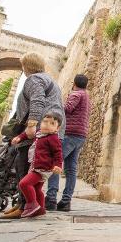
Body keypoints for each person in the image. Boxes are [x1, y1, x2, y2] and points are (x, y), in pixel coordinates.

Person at [0, 52, 65, 220]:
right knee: (32, 172)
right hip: (49, 130)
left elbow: (37, 100)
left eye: (23, 66)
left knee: (24, 168)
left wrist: (31, 125)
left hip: (37, 130)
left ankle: (24, 206)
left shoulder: (34, 79)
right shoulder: (50, 80)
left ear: (27, 66)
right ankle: (29, 204)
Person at [46, 74, 90, 212]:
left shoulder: (76, 94)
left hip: (70, 133)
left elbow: (67, 109)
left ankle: (51, 198)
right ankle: (66, 201)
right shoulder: (87, 97)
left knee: (55, 162)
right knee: (71, 169)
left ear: (74, 83)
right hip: (81, 135)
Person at [13, 113, 63, 218]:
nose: (47, 125)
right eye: (45, 122)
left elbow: (58, 153)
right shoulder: (39, 133)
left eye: (52, 123)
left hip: (42, 168)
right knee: (37, 189)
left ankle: (32, 205)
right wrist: (19, 137)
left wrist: (58, 165)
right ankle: (41, 209)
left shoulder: (53, 138)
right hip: (37, 166)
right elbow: (27, 134)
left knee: (24, 184)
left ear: (57, 128)